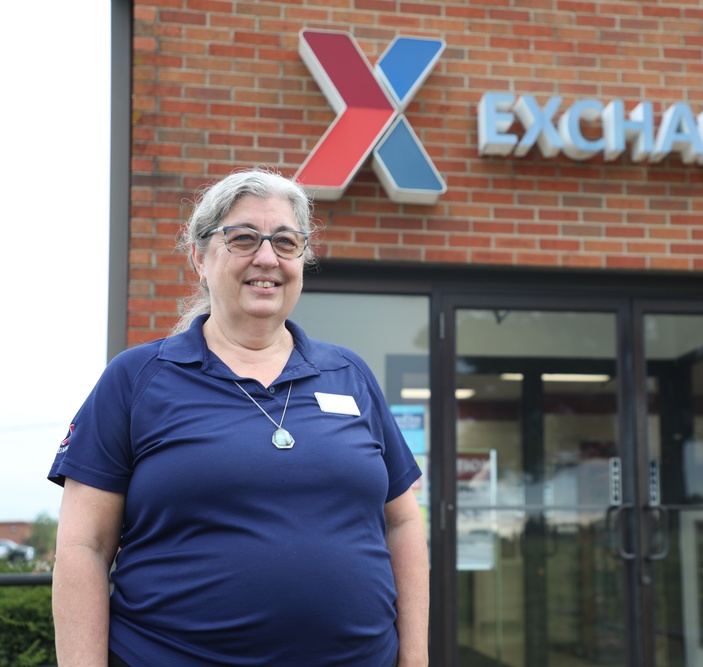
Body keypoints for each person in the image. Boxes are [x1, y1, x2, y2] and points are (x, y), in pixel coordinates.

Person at [49, 168, 429, 666]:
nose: (267, 258)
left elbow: (402, 522)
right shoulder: (136, 379)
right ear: (199, 258)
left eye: (286, 241)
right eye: (243, 238)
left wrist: (416, 658)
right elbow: (84, 546)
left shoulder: (349, 375)